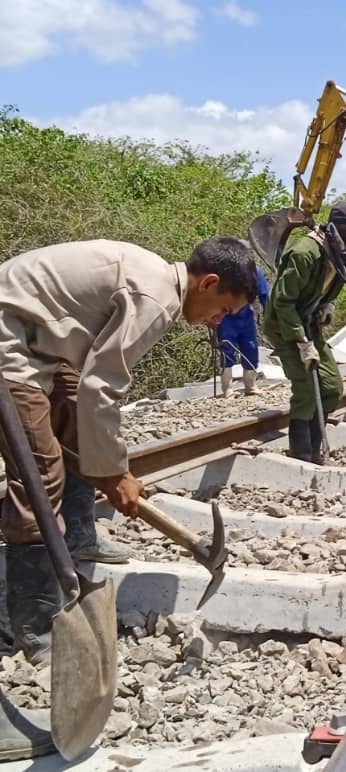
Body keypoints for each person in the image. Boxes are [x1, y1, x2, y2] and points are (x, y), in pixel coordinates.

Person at [0, 236, 258, 760]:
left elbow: (89, 391)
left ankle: (70, 550)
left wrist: (107, 468)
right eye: (222, 309)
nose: (217, 321)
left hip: (40, 344)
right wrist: (116, 474)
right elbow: (104, 389)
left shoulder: (154, 279)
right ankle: (31, 626)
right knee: (40, 472)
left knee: (72, 429)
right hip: (10, 344)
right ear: (208, 284)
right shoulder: (156, 298)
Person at [264, 201, 346, 464]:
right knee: (305, 388)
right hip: (285, 326)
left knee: (331, 388)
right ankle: (302, 454)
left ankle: (315, 446)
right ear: (345, 230)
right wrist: (301, 341)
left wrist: (328, 304)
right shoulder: (305, 253)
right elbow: (282, 302)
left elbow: (332, 286)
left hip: (308, 324)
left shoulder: (340, 254)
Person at [216, 265, 270, 396]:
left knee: (251, 349)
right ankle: (227, 389)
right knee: (226, 352)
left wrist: (270, 317)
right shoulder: (222, 270)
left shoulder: (254, 271)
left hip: (246, 317)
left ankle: (250, 386)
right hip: (225, 318)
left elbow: (265, 295)